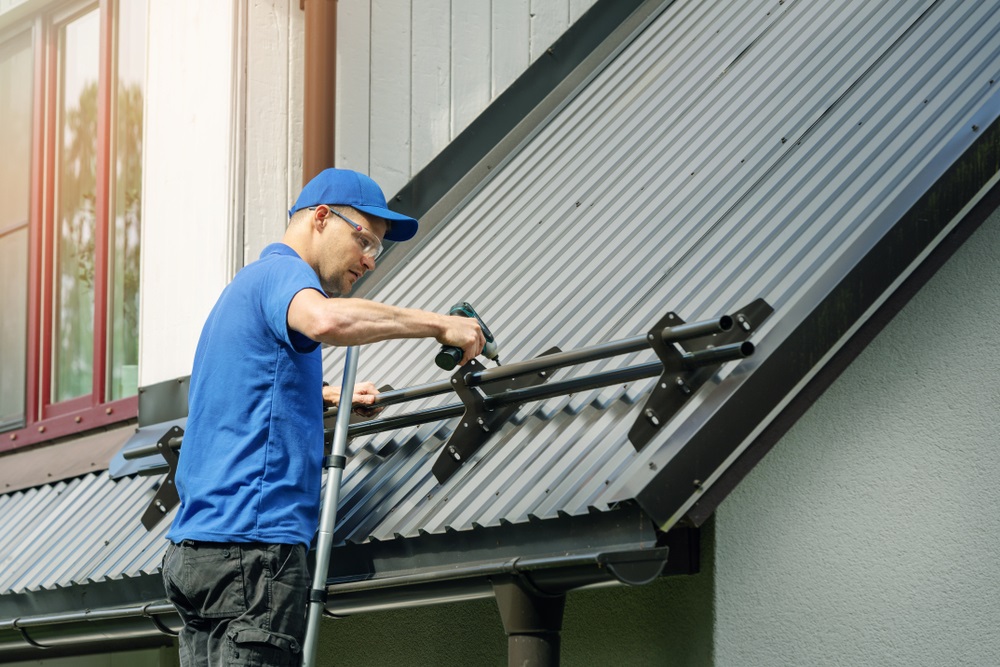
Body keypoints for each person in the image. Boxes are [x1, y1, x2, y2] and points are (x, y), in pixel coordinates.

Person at [161, 168, 484, 666]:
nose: (370, 260)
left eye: (377, 248)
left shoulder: (241, 291)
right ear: (319, 217)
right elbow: (327, 320)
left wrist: (324, 396)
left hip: (198, 553)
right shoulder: (284, 274)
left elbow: (242, 395)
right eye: (364, 240)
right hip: (252, 550)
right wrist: (440, 325)